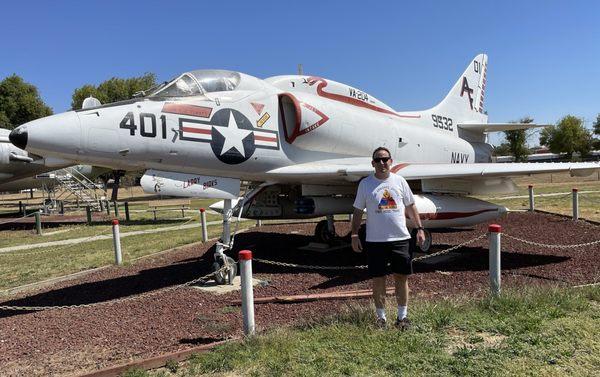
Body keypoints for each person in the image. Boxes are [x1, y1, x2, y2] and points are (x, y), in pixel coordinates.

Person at [351, 146, 425, 329]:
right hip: (375, 241)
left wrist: (420, 228)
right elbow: (358, 211)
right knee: (379, 279)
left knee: (401, 277)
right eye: (378, 160)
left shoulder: (400, 181)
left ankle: (402, 317)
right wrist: (354, 234)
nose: (382, 163)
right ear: (373, 163)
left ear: (391, 161)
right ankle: (381, 318)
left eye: (385, 159)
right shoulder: (365, 184)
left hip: (400, 238)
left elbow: (411, 207)